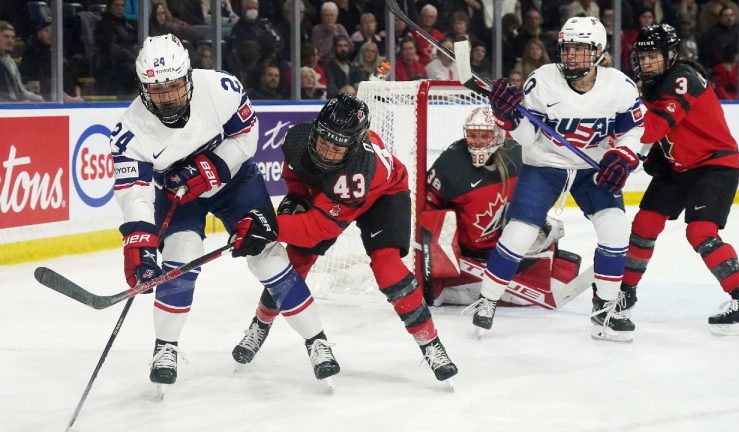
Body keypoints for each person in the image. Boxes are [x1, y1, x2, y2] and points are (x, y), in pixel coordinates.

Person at [110, 34, 339, 390]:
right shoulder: (129, 131)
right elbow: (134, 192)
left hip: (234, 180)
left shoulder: (220, 88)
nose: (168, 97)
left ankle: (317, 340)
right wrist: (138, 241)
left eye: (173, 86)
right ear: (142, 88)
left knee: (268, 256)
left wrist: (210, 169)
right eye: (157, 90)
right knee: (179, 257)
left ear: (187, 76)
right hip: (175, 192)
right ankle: (165, 347)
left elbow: (247, 135)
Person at [231, 93, 459, 382]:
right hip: (333, 196)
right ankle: (260, 326)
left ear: (352, 147)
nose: (326, 151)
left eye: (337, 147)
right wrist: (296, 198)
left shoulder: (360, 170)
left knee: (387, 267)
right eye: (323, 140)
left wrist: (271, 226)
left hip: (383, 196)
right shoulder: (297, 140)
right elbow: (296, 178)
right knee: (296, 261)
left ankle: (431, 343)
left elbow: (320, 227)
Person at [468, 17, 645, 342]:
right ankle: (488, 298)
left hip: (593, 167)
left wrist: (624, 155)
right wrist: (509, 118)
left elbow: (633, 129)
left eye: (580, 49)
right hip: (545, 165)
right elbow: (528, 137)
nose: (572, 56)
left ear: (599, 51)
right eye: (568, 48)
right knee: (520, 233)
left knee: (616, 229)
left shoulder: (619, 86)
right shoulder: (542, 80)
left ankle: (604, 309)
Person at [623, 24, 739, 336]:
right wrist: (658, 154)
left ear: (671, 55)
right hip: (679, 167)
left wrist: (612, 129)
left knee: (700, 231)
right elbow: (663, 133)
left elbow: (653, 128)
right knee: (644, 223)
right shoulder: (651, 84)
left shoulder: (683, 78)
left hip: (715, 165)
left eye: (653, 56)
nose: (647, 62)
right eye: (642, 56)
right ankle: (625, 293)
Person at [423, 106, 584, 309]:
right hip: (471, 250)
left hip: (507, 243)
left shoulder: (517, 154)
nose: (478, 141)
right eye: (472, 135)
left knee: (548, 227)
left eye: (484, 135)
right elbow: (428, 206)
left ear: (498, 134)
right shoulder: (451, 162)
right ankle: (448, 281)